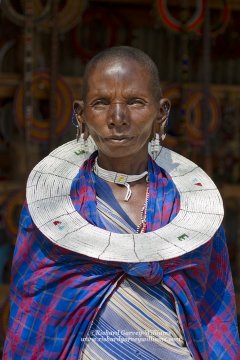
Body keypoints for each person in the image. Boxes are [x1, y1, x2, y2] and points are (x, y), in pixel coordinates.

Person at [3, 46, 239, 359]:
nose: (117, 118)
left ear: (162, 112)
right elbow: (33, 318)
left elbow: (214, 311)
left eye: (134, 102)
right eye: (101, 103)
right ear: (81, 114)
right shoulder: (50, 207)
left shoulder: (191, 208)